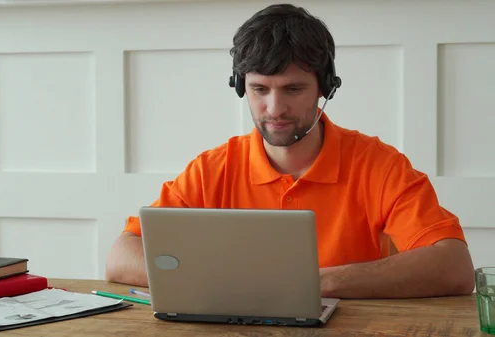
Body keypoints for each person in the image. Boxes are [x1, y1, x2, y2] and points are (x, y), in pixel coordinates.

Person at [105, 4, 475, 299]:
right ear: (240, 87)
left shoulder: (378, 164)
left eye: (293, 89)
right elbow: (122, 256)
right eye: (260, 89)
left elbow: (454, 267)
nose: (275, 108)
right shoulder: (211, 169)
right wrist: (242, 282)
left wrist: (313, 283)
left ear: (325, 88)